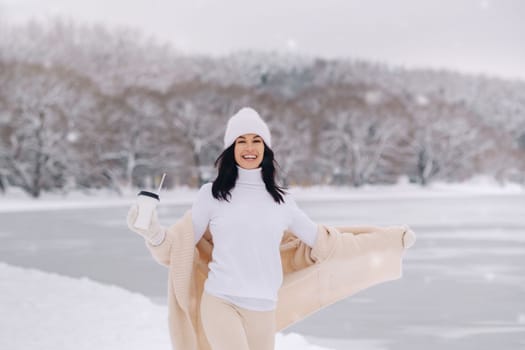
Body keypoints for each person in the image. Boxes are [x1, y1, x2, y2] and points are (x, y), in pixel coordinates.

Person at [126, 107, 416, 350]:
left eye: (256, 140)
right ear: (231, 149)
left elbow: (327, 243)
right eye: (241, 141)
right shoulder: (211, 195)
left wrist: (389, 241)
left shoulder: (282, 201)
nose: (249, 147)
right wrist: (153, 232)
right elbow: (180, 245)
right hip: (221, 301)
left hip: (263, 309)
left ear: (265, 149)